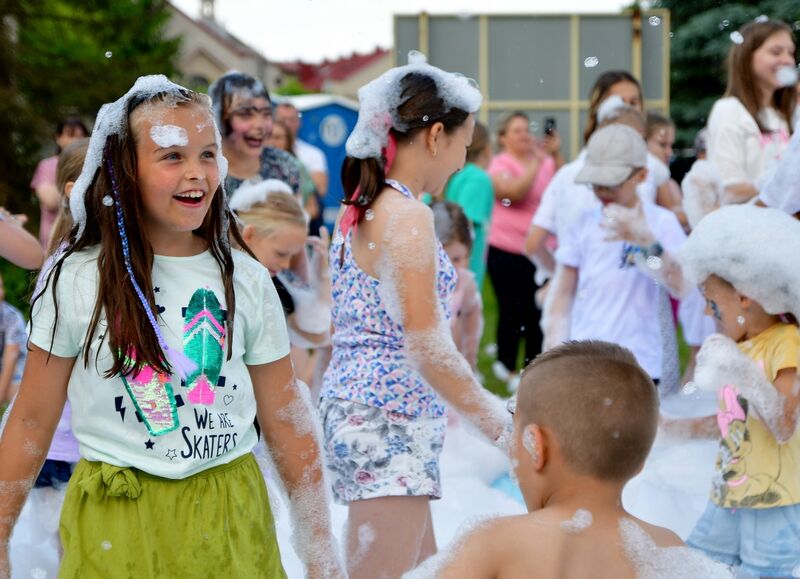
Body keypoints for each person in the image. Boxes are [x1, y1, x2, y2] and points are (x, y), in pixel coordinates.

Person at [0, 75, 343, 578]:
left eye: (208, 154)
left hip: (229, 512)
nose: (198, 172)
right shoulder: (76, 278)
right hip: (116, 514)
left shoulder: (243, 276)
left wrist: (320, 549)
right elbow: (29, 419)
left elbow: (287, 419)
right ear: (125, 171)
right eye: (172, 156)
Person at [320, 52, 508, 579]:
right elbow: (425, 346)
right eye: (462, 147)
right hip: (387, 420)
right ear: (433, 136)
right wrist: (501, 427)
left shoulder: (362, 204)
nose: (461, 163)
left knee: (428, 569)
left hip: (364, 409)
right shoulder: (408, 217)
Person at [410, 341, 731, 579]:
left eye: (514, 424)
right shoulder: (666, 549)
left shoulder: (494, 543)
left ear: (535, 445)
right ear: (639, 463)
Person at [677, 205, 800, 578]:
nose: (706, 314)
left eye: (713, 305)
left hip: (774, 501)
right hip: (730, 493)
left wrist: (737, 369)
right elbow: (732, 421)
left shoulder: (787, 343)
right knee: (696, 565)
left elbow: (782, 424)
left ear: (746, 296)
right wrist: (668, 431)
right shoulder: (743, 348)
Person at [544, 124, 689, 386]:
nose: (603, 193)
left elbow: (681, 284)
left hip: (640, 361)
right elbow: (563, 293)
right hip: (586, 355)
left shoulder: (662, 222)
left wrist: (645, 242)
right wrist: (554, 352)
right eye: (597, 185)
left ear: (642, 175)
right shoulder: (584, 223)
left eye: (612, 184)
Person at [230, 179, 331, 386]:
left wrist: (322, 278)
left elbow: (321, 335)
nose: (286, 265)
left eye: (292, 256)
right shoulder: (219, 287)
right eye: (281, 253)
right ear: (249, 235)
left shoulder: (276, 288)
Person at [486, 111, 558, 387]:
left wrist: (555, 154)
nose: (525, 135)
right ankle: (506, 365)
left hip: (540, 251)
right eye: (517, 131)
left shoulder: (544, 161)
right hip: (506, 249)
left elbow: (560, 189)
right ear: (503, 137)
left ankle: (533, 367)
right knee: (512, 310)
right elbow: (513, 193)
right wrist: (536, 163)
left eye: (527, 130)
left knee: (537, 311)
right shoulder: (498, 164)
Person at [706, 19, 796, 204]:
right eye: (776, 52)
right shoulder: (729, 110)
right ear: (747, 56)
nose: (788, 60)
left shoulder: (782, 115)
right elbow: (728, 189)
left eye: (791, 53)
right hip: (746, 226)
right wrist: (779, 187)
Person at [207, 71, 303, 198]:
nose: (260, 125)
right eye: (246, 114)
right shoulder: (205, 172)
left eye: (266, 113)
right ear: (218, 118)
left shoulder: (283, 166)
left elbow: (295, 215)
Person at [431, 201, 482, 373]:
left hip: (454, 364)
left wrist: (469, 360)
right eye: (442, 260)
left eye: (457, 259)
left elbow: (472, 322)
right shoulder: (421, 285)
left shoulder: (465, 284)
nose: (450, 269)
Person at [442, 121, 494, 288]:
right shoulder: (478, 179)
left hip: (445, 266)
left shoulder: (449, 172)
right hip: (463, 271)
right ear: (486, 148)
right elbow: (466, 226)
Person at [30, 117, 89, 247]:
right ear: (58, 138)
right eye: (71, 135)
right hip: (54, 242)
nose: (76, 141)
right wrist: (73, 169)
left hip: (85, 241)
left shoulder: (93, 165)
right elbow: (50, 201)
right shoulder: (47, 165)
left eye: (81, 136)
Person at [267, 118, 324, 235]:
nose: (272, 142)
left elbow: (313, 208)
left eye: (278, 137)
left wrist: (291, 221)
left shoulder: (296, 167)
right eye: (269, 136)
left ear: (288, 141)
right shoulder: (252, 165)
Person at [275, 101, 329, 197]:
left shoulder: (314, 154)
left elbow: (320, 190)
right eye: (282, 120)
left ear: (299, 122)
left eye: (292, 119)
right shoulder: (261, 153)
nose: (287, 124)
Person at [0, 274, 26, 408]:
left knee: (17, 391)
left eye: (1, 286)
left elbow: (10, 360)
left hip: (14, 374)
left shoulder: (12, 317)